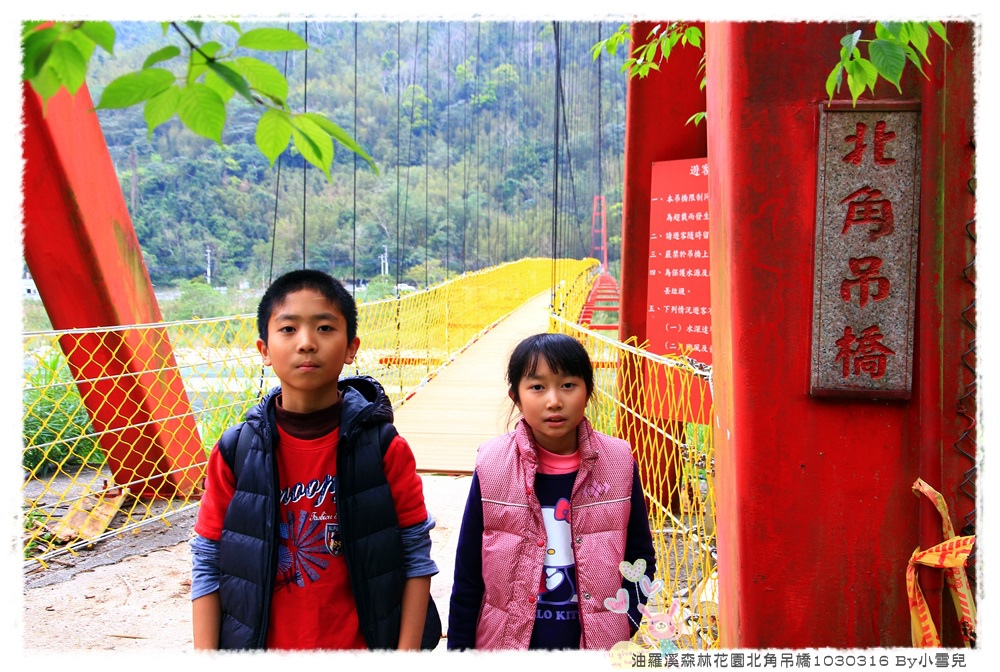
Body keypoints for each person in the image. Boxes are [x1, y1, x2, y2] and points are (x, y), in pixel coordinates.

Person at [190, 269, 439, 650]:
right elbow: (208, 560)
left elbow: (415, 557)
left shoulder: (385, 448)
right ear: (264, 351)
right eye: (288, 329)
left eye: (324, 328)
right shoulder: (235, 451)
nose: (306, 343)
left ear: (351, 347)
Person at [447, 332, 657, 650]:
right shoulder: (492, 466)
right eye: (537, 387)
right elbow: (468, 573)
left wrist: (623, 621)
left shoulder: (619, 463)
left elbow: (640, 555)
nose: (554, 400)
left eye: (568, 385)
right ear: (516, 396)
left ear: (588, 391)